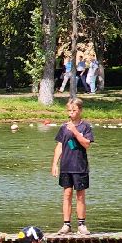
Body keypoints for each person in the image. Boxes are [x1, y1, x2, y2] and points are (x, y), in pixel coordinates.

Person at [51, 97, 94, 234]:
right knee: (67, 194)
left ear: (80, 110)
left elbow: (87, 144)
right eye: (69, 110)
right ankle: (66, 225)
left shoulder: (85, 126)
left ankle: (81, 224)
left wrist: (75, 132)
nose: (71, 113)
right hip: (66, 166)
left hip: (80, 166)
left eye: (74, 110)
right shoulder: (64, 127)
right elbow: (59, 146)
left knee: (80, 195)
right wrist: (55, 164)